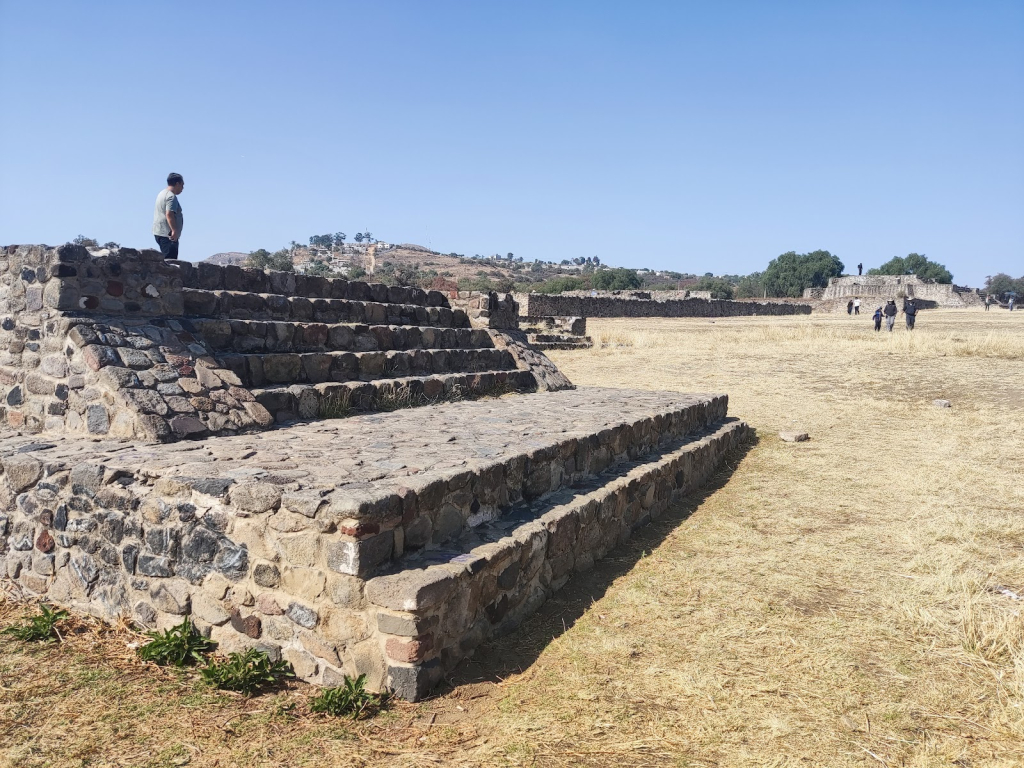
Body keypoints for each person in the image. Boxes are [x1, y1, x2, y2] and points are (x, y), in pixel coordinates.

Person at [152, 172, 184, 259]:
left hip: (159, 232)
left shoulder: (162, 193)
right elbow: (169, 214)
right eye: (182, 185)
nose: (182, 188)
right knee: (171, 261)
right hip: (168, 235)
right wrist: (174, 230)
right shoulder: (171, 197)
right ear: (177, 184)